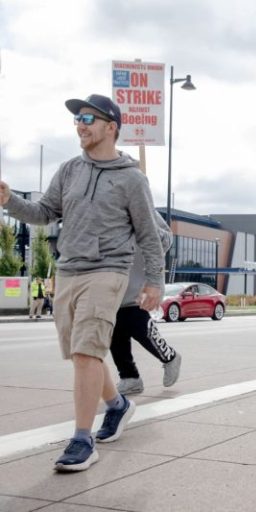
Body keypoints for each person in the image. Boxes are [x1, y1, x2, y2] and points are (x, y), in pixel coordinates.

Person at [0, 94, 164, 471]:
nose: (81, 124)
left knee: (88, 352)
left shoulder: (132, 179)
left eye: (89, 117)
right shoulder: (70, 170)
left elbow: (149, 235)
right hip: (69, 269)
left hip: (109, 269)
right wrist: (10, 201)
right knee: (81, 354)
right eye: (77, 119)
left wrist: (154, 280)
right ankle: (118, 406)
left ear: (111, 127)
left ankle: (82, 440)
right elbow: (43, 213)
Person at [110, 211, 181, 395]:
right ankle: (129, 377)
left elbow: (167, 240)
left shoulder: (143, 206)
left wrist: (144, 228)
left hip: (139, 283)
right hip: (115, 286)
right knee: (115, 333)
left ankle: (170, 357)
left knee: (138, 324)